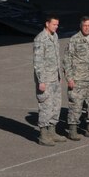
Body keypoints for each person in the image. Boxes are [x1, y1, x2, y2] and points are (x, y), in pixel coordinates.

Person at [63, 15, 89, 140]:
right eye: (85, 25)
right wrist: (69, 78)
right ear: (81, 26)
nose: (87, 28)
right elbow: (67, 60)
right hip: (78, 79)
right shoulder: (74, 40)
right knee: (76, 105)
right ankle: (72, 130)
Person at [33, 14, 65, 146]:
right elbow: (38, 62)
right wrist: (41, 81)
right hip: (45, 79)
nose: (56, 27)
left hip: (55, 78)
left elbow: (56, 58)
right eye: (54, 24)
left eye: (57, 24)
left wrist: (59, 76)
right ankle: (43, 135)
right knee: (45, 106)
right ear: (47, 24)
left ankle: (52, 131)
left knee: (55, 106)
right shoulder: (41, 39)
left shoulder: (54, 36)